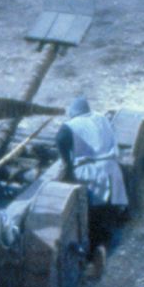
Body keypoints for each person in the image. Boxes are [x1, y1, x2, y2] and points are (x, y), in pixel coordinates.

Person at [56, 96, 129, 272]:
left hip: (91, 175)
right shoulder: (101, 118)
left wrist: (67, 166)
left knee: (91, 217)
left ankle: (91, 257)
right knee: (108, 215)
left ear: (72, 113)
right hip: (112, 170)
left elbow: (60, 139)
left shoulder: (70, 126)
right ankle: (104, 248)